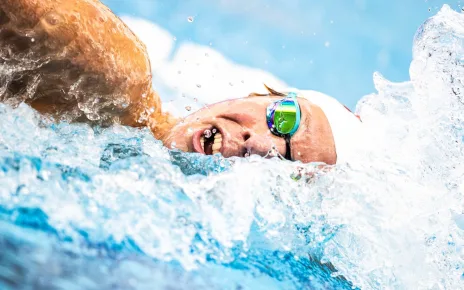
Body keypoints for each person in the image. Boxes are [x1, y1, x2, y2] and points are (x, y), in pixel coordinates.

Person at [0, 0, 362, 165]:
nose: (260, 144)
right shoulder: (109, 74)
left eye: (288, 167)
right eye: (284, 119)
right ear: (258, 94)